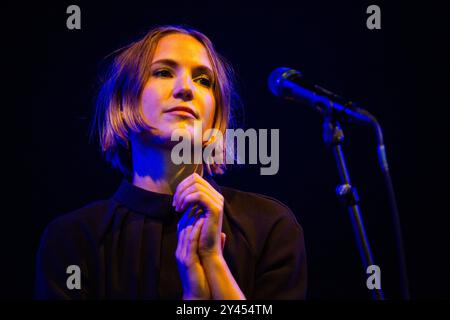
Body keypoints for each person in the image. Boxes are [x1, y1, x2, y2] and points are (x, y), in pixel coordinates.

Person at [35, 25, 307, 300]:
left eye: (203, 80)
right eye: (163, 72)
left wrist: (213, 262)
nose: (186, 89)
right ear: (121, 101)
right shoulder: (74, 239)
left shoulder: (270, 226)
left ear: (216, 114)